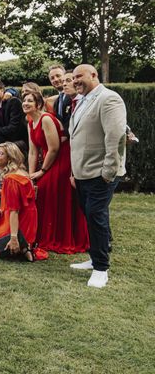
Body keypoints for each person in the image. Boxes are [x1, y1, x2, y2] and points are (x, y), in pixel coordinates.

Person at [69, 64, 126, 288]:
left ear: (94, 75)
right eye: (73, 78)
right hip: (82, 173)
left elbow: (116, 138)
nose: (75, 81)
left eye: (79, 76)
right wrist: (75, 172)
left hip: (100, 174)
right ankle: (94, 258)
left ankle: (101, 268)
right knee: (90, 216)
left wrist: (108, 173)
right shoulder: (82, 100)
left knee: (96, 216)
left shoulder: (109, 98)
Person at [23, 91, 89, 254]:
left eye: (30, 101)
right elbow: (32, 152)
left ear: (38, 104)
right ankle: (41, 233)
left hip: (62, 158)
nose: (25, 103)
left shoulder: (46, 119)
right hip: (48, 158)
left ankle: (58, 235)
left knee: (47, 189)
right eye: (24, 100)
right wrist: (31, 175)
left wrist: (42, 171)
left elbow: (54, 148)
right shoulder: (30, 122)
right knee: (37, 187)